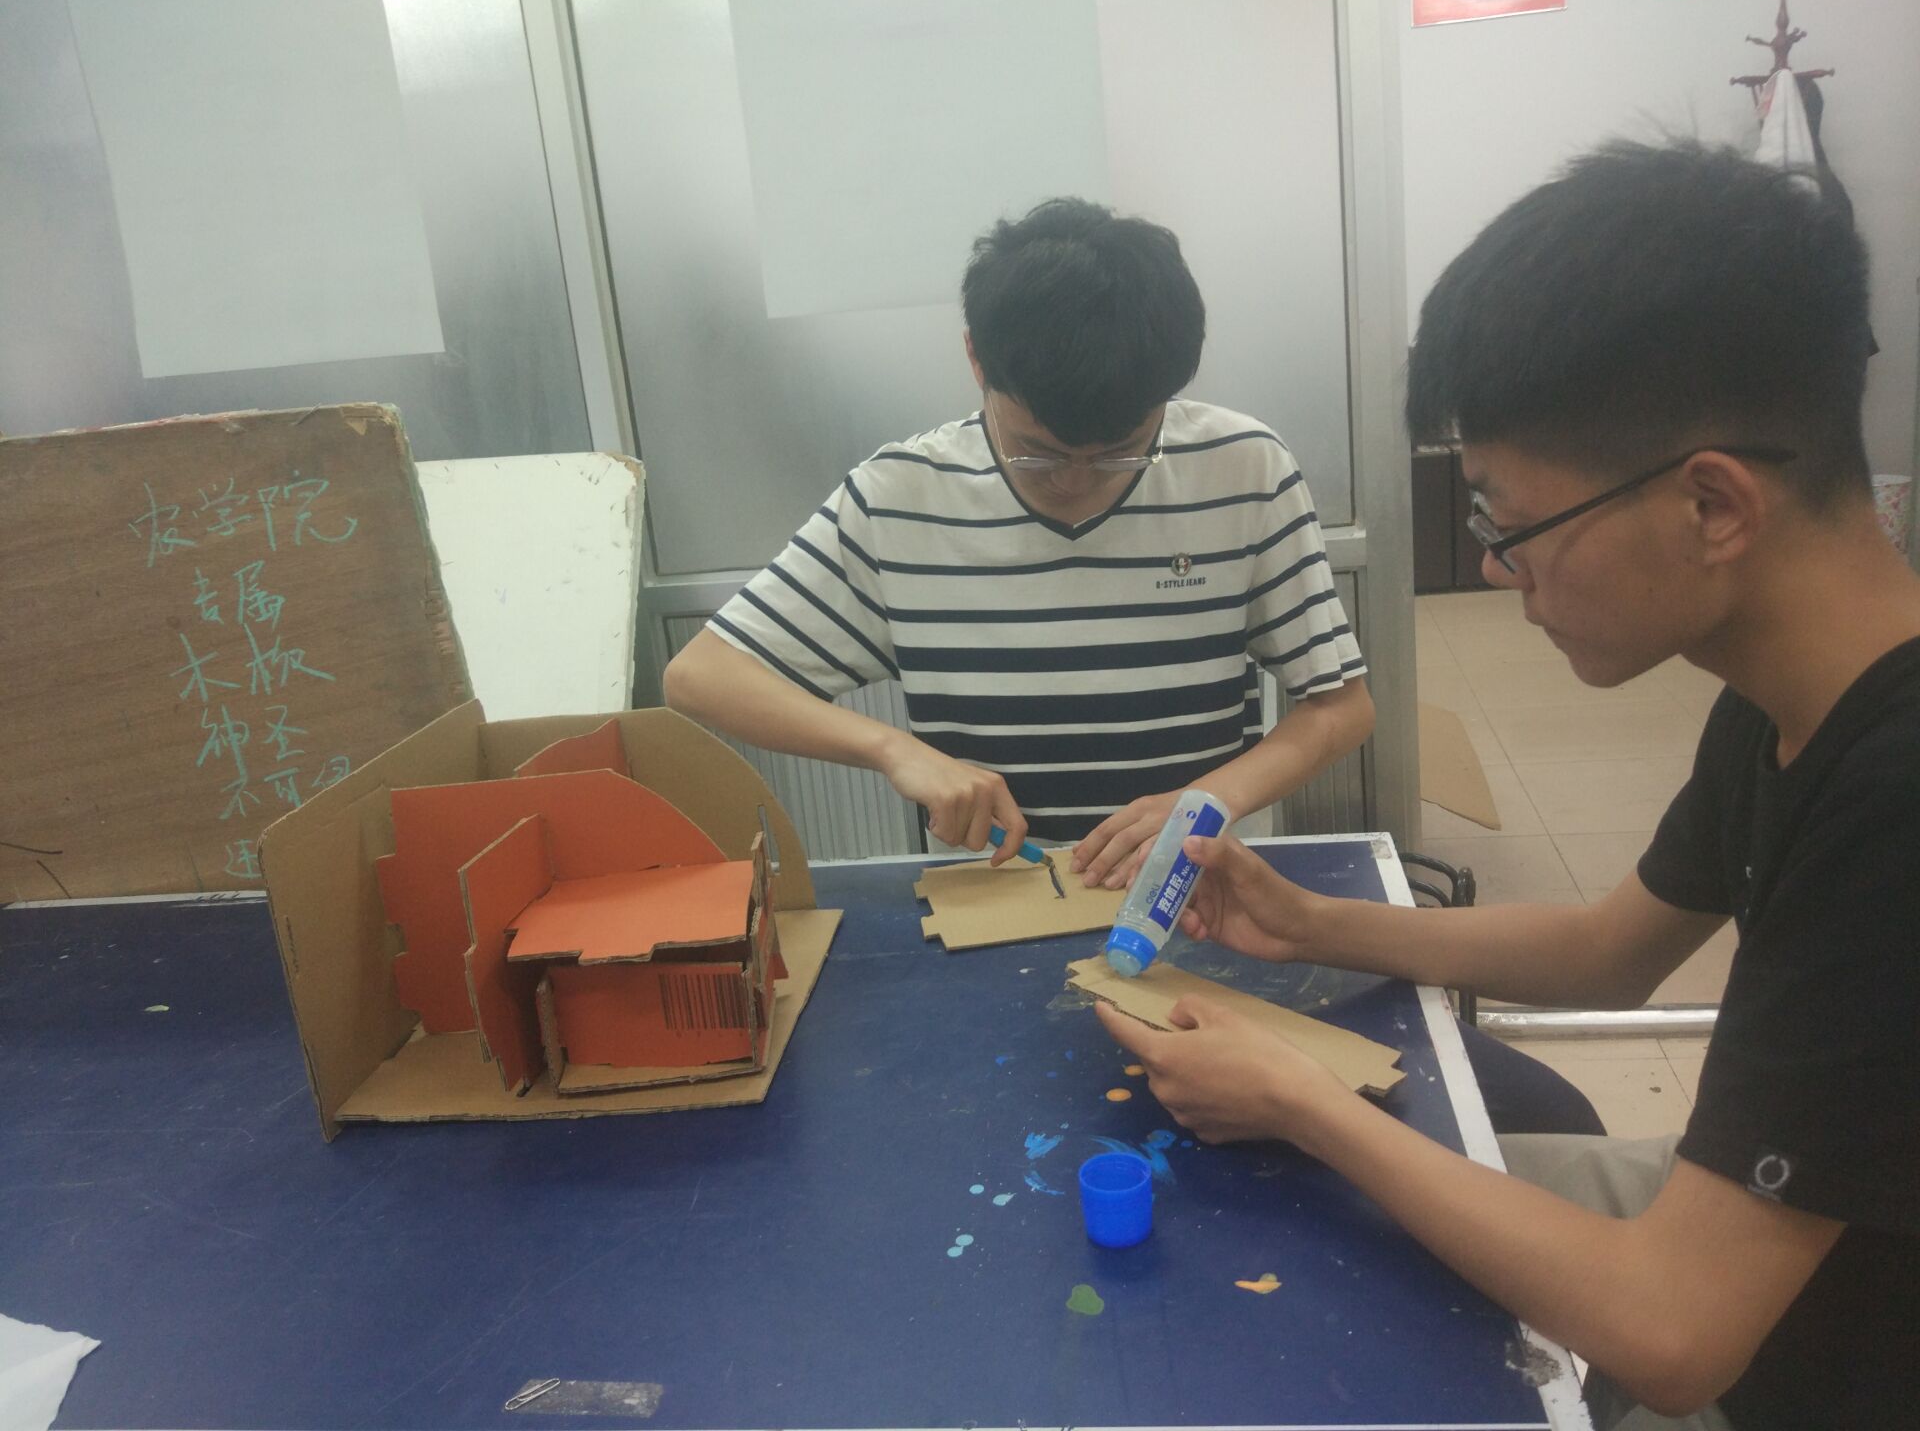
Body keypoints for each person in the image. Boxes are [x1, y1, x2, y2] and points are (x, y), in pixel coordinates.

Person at [1095, 140, 1918, 1430]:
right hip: (1772, 1256)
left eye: (1508, 521)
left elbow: (1675, 1334)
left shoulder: (1894, 802)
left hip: (1812, 1367)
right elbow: (1606, 955)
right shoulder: (1787, 700)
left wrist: (1304, 1101)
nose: (1493, 569)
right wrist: (1305, 923)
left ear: (1712, 505)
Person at [664, 197, 1374, 884]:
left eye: (1120, 453)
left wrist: (1209, 802)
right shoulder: (899, 499)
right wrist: (891, 749)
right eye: (1038, 452)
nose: (1074, 482)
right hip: (993, 897)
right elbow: (701, 677)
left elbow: (1340, 706)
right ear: (976, 359)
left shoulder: (1244, 469)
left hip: (1192, 891)